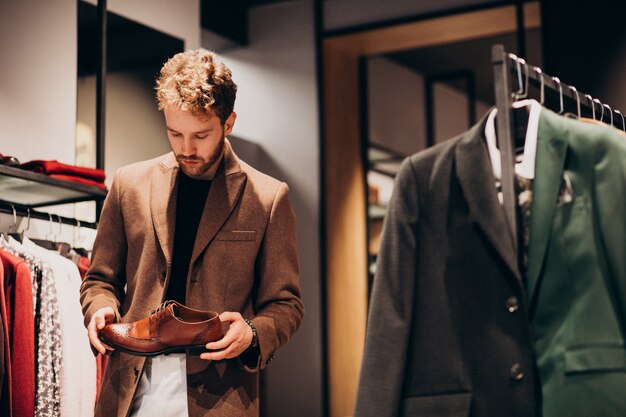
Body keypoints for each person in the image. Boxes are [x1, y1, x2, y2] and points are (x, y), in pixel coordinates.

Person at [80, 49, 304, 417]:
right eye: (174, 133)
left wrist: (252, 332)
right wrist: (100, 310)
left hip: (220, 395)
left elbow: (286, 303)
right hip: (129, 388)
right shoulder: (129, 184)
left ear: (228, 123)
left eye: (201, 135)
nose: (186, 148)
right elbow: (99, 279)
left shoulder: (267, 197)